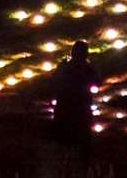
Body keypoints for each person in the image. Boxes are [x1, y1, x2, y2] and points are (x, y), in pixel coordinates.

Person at [49, 41, 99, 173]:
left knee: (66, 143)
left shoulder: (67, 66)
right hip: (78, 109)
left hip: (67, 109)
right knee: (78, 142)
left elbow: (53, 81)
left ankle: (64, 166)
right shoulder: (84, 68)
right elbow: (98, 81)